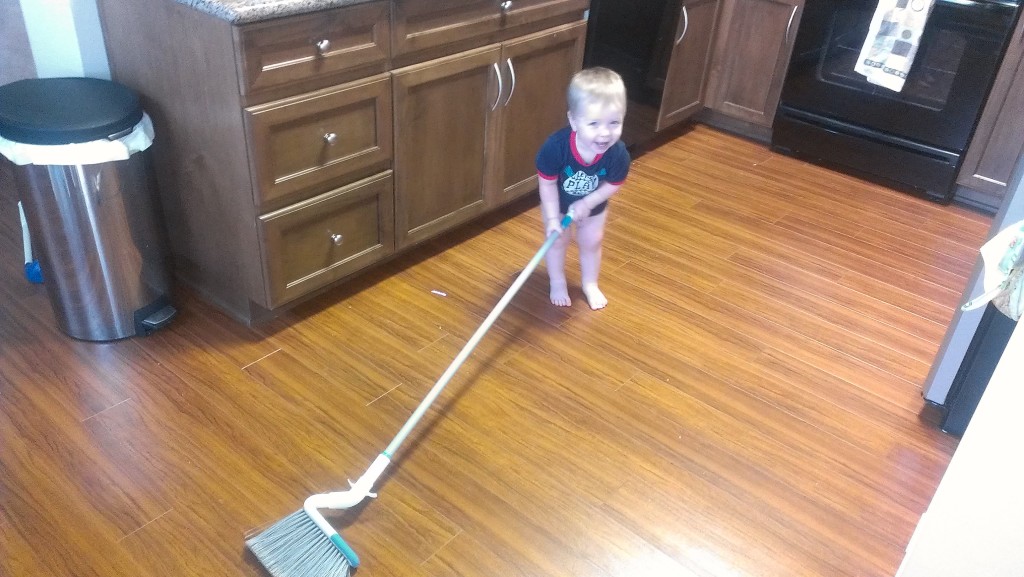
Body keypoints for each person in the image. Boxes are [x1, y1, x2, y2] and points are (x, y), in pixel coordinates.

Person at [535, 67, 630, 310]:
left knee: (592, 241)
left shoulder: (617, 154)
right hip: (558, 202)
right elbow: (546, 184)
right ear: (573, 121)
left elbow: (614, 183)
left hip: (593, 205)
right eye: (594, 123)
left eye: (614, 123)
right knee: (557, 241)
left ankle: (590, 283)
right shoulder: (555, 148)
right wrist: (553, 218)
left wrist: (588, 202)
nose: (604, 133)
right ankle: (557, 281)